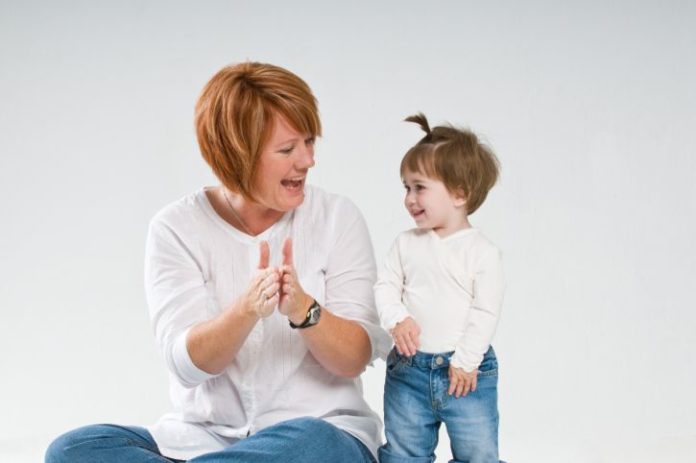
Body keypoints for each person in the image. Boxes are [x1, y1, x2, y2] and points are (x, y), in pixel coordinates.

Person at [45, 62, 389, 463]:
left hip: (318, 434)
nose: (308, 160)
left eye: (310, 142)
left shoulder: (337, 218)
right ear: (238, 154)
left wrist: (302, 309)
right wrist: (245, 311)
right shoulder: (175, 228)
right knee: (73, 450)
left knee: (315, 440)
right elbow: (186, 365)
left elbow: (354, 360)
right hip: (202, 441)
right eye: (287, 149)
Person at [375, 114, 505, 463]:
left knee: (478, 455)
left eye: (420, 187)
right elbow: (386, 285)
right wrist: (397, 318)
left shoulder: (482, 252)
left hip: (466, 374)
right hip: (408, 372)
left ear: (459, 193)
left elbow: (485, 311)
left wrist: (465, 361)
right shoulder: (405, 244)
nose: (409, 198)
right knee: (403, 453)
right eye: (406, 187)